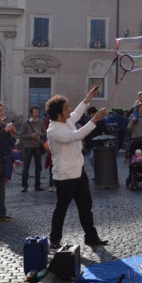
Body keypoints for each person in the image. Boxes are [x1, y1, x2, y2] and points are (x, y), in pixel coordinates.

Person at [46, 88, 108, 251]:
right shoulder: (54, 130)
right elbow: (76, 135)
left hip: (79, 173)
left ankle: (91, 237)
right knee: (61, 209)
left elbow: (77, 114)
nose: (69, 109)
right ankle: (54, 239)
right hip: (65, 176)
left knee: (85, 206)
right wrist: (94, 120)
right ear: (59, 113)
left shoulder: (65, 121)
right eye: (66, 107)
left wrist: (88, 98)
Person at [20, 106, 47, 192]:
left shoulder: (41, 122)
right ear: (31, 113)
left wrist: (40, 134)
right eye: (35, 112)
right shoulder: (25, 123)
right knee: (26, 167)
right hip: (28, 147)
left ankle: (37, 185)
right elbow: (21, 135)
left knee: (38, 167)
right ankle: (24, 186)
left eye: (37, 112)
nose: (36, 114)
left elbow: (45, 134)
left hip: (38, 147)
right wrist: (30, 136)